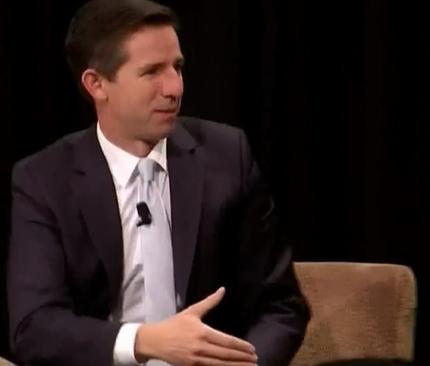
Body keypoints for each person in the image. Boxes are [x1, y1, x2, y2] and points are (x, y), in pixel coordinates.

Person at [7, 0, 309, 365]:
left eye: (177, 67)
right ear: (97, 84)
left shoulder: (228, 158)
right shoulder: (44, 179)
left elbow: (281, 306)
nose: (175, 88)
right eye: (152, 72)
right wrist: (145, 341)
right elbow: (35, 327)